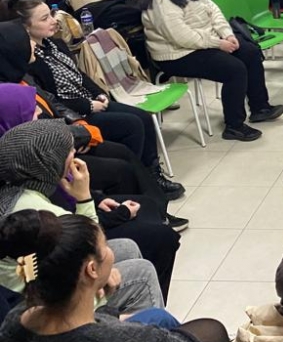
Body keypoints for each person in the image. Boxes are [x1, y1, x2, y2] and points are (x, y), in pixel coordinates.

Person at [0, 210, 229, 342]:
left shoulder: (16, 319)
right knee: (215, 335)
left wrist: (103, 305)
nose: (111, 251)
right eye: (105, 245)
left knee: (160, 317)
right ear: (91, 269)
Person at [11, 0, 182, 198]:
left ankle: (152, 175)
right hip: (75, 115)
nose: (53, 20)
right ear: (26, 27)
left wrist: (99, 93)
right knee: (132, 125)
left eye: (50, 14)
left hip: (88, 101)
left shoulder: (55, 44)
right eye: (44, 18)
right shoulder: (30, 60)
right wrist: (89, 106)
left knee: (143, 117)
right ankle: (137, 180)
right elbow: (55, 100)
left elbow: (80, 75)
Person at [0, 122, 171, 314]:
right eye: (68, 150)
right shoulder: (36, 210)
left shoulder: (16, 188)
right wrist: (84, 197)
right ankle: (117, 326)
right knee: (143, 273)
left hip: (38, 278)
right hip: (43, 306)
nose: (74, 152)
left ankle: (133, 318)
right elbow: (91, 242)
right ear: (49, 160)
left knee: (127, 247)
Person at [140, 0, 283, 142]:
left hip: (203, 44)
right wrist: (218, 43)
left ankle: (260, 108)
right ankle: (234, 126)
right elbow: (181, 37)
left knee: (250, 52)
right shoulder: (160, 0)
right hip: (177, 55)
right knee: (234, 69)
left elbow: (214, 11)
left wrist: (227, 34)